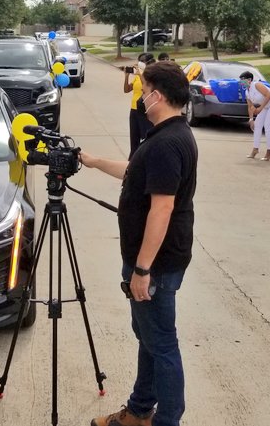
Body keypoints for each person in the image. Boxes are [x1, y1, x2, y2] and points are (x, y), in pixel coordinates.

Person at [82, 61, 197, 426]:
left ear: (157, 96)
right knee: (148, 336)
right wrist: (94, 161)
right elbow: (134, 168)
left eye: (142, 90)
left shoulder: (167, 143)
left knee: (162, 343)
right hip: (156, 260)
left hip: (156, 264)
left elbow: (162, 209)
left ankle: (166, 420)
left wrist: (142, 269)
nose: (139, 97)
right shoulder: (168, 134)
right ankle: (139, 410)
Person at [239, 70, 270, 161]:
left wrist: (260, 108)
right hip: (266, 106)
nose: (241, 82)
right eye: (240, 80)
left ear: (249, 80)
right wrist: (251, 119)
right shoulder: (247, 92)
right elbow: (250, 106)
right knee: (257, 125)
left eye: (243, 80)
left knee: (267, 125)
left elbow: (269, 95)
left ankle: (269, 151)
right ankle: (255, 149)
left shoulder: (257, 85)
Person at [123, 53, 155, 156]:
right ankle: (132, 159)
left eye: (142, 61)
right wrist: (126, 76)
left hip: (145, 109)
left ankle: (143, 157)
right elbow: (126, 90)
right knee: (134, 137)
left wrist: (140, 74)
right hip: (134, 109)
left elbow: (146, 86)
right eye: (139, 60)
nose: (140, 63)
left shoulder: (150, 76)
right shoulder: (137, 75)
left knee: (144, 137)